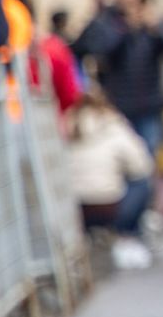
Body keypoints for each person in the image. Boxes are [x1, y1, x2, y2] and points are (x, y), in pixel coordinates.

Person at [72, 0, 163, 153]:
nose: (130, 1)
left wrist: (156, 30)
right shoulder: (107, 22)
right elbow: (102, 50)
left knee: (147, 159)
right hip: (118, 105)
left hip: (149, 106)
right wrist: (126, 29)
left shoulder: (150, 23)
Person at [67, 88, 156, 270]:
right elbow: (142, 165)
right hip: (110, 206)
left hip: (76, 207)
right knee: (141, 182)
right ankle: (127, 235)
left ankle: (87, 238)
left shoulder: (66, 127)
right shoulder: (114, 125)